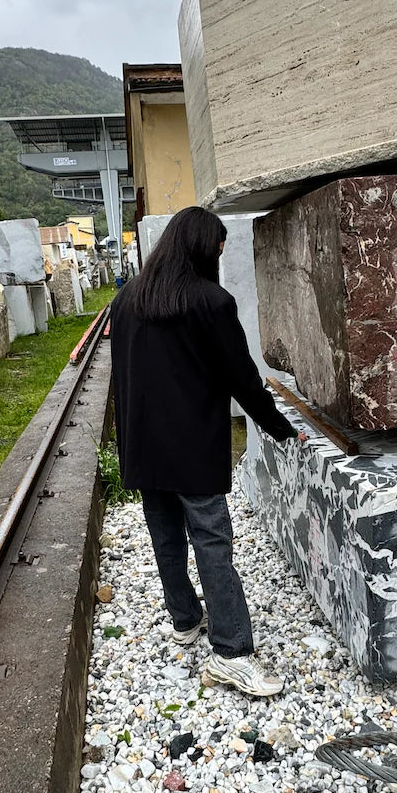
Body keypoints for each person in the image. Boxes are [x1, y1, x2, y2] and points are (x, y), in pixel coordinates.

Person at [110, 206, 306, 697]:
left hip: (144, 448)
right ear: (201, 248)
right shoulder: (210, 302)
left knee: (166, 538)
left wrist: (125, 445)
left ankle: (184, 617)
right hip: (192, 449)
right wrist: (282, 429)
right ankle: (232, 652)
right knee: (213, 545)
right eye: (218, 248)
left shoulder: (128, 299)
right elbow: (242, 380)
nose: (220, 257)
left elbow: (122, 380)